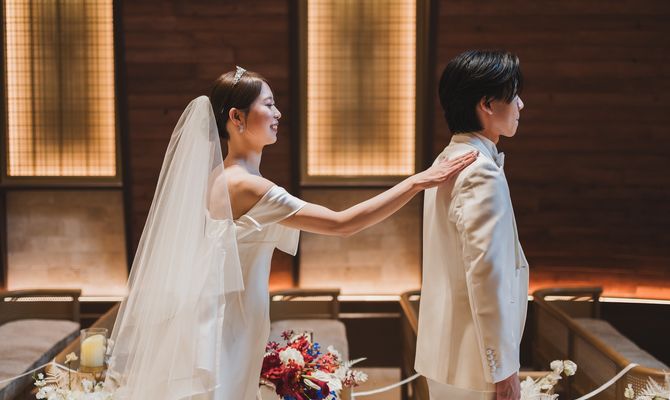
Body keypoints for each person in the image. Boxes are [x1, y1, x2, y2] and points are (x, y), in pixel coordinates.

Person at [106, 66, 478, 399]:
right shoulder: (249, 186)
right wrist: (416, 182)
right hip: (231, 324)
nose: (278, 113)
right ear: (237, 117)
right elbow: (342, 223)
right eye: (268, 105)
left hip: (227, 317)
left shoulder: (220, 177)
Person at [415, 50, 529, 400]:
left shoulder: (448, 158)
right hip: (474, 362)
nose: (521, 104)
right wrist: (503, 369)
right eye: (514, 95)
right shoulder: (479, 170)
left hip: (451, 354)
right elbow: (485, 274)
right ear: (487, 104)